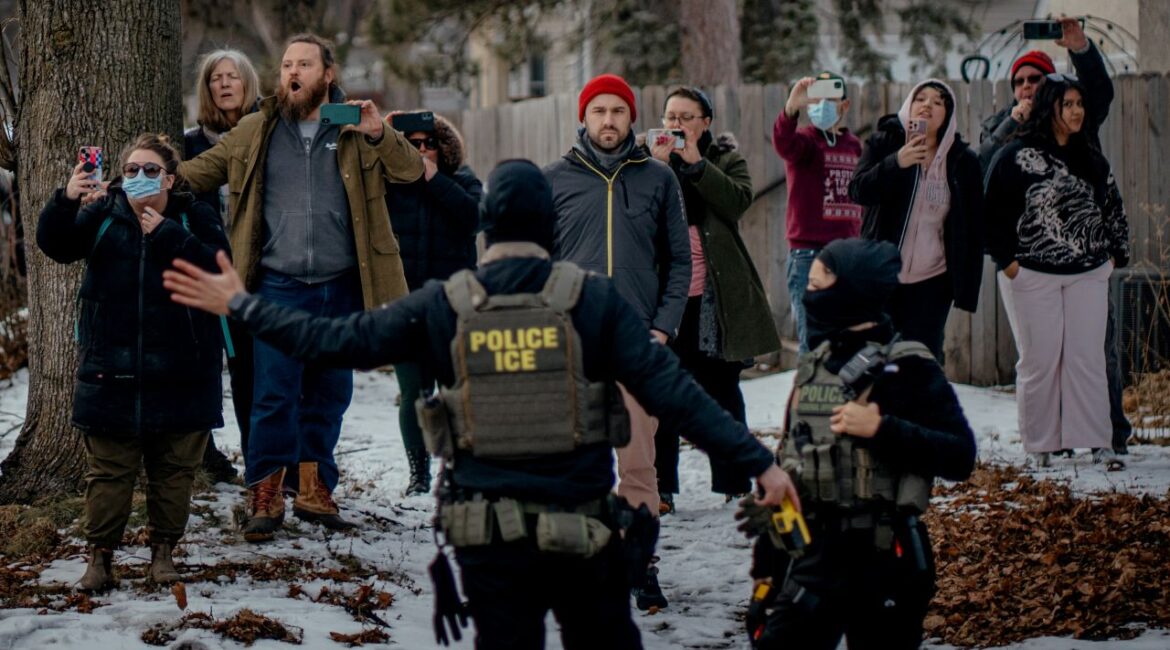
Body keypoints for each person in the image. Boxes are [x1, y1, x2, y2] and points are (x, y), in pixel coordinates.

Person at [164, 159, 798, 650]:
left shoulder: (447, 302)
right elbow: (676, 393)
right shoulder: (593, 300)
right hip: (584, 531)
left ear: (486, 225)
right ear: (551, 227)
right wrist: (761, 466)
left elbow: (333, 341)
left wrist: (242, 305)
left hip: (489, 540)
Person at [179, 33, 424, 541]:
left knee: (330, 392)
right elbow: (199, 172)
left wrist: (381, 133)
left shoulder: (354, 127)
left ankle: (314, 489)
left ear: (327, 75)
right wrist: (145, 178)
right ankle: (265, 495)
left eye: (305, 64)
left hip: (342, 285)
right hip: (278, 285)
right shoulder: (257, 128)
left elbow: (410, 172)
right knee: (273, 393)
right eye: (287, 64)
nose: (293, 72)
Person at [739, 238, 976, 650]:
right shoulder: (814, 368)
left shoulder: (906, 366)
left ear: (852, 291)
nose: (809, 296)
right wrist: (767, 572)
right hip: (813, 557)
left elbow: (959, 455)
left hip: (884, 559)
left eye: (818, 285)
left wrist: (882, 429)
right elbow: (785, 469)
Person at [38, 134, 229, 591]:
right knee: (108, 473)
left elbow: (220, 268)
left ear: (169, 177)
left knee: (174, 474)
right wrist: (67, 199)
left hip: (183, 368)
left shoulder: (194, 215)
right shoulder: (104, 212)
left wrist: (166, 233)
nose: (139, 179)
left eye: (149, 171)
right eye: (130, 171)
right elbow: (56, 244)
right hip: (111, 366)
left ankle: (163, 553)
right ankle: (99, 559)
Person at [544, 73, 690, 609]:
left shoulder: (658, 180)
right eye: (599, 111)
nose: (608, 121)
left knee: (637, 462)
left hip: (636, 345)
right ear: (583, 117)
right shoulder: (553, 180)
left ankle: (639, 562)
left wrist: (663, 326)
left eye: (618, 112)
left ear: (632, 119)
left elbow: (679, 261)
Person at [977, 16, 1132, 455]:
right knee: (1042, 358)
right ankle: (1048, 445)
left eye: (1037, 79)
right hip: (1031, 268)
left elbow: (1099, 95)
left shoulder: (1081, 126)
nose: (1028, 86)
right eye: (1021, 80)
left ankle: (1108, 437)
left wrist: (1114, 256)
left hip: (1087, 266)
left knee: (1093, 355)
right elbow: (983, 178)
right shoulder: (1002, 130)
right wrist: (1008, 262)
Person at [647, 87, 780, 512]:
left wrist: (696, 165)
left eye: (687, 117)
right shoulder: (646, 163)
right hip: (664, 299)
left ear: (706, 122)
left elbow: (737, 202)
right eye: (671, 116)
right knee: (661, 395)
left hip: (711, 299)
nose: (676, 125)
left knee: (723, 393)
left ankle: (734, 484)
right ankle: (661, 487)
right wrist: (659, 167)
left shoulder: (724, 160)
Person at [848, 79, 984, 360]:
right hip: (883, 275)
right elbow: (858, 190)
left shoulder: (963, 161)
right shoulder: (883, 143)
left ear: (948, 114)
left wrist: (964, 285)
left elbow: (972, 225)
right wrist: (897, 161)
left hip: (932, 281)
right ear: (909, 105)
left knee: (923, 362)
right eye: (921, 98)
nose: (927, 106)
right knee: (876, 361)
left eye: (938, 102)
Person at [383, 111, 482, 495]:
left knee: (456, 389)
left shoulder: (463, 182)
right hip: (405, 305)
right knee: (414, 392)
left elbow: (474, 218)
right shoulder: (389, 186)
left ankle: (457, 468)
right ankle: (418, 472)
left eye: (429, 143)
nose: (421, 150)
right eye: (412, 143)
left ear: (443, 148)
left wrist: (432, 179)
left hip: (454, 306)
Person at [184, 48, 261, 485]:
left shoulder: (267, 137)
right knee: (200, 370)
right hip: (205, 276)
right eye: (217, 78)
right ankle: (206, 458)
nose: (225, 83)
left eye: (234, 75)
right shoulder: (191, 145)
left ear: (248, 83)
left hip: (256, 277)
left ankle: (260, 467)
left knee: (251, 376)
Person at [772, 72, 863, 354]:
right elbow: (783, 142)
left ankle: (843, 395)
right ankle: (811, 393)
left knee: (848, 335)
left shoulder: (855, 146)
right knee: (813, 339)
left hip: (847, 253)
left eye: (830, 99)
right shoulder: (804, 142)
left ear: (844, 106)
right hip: (808, 255)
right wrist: (791, 108)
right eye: (816, 99)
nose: (822, 105)